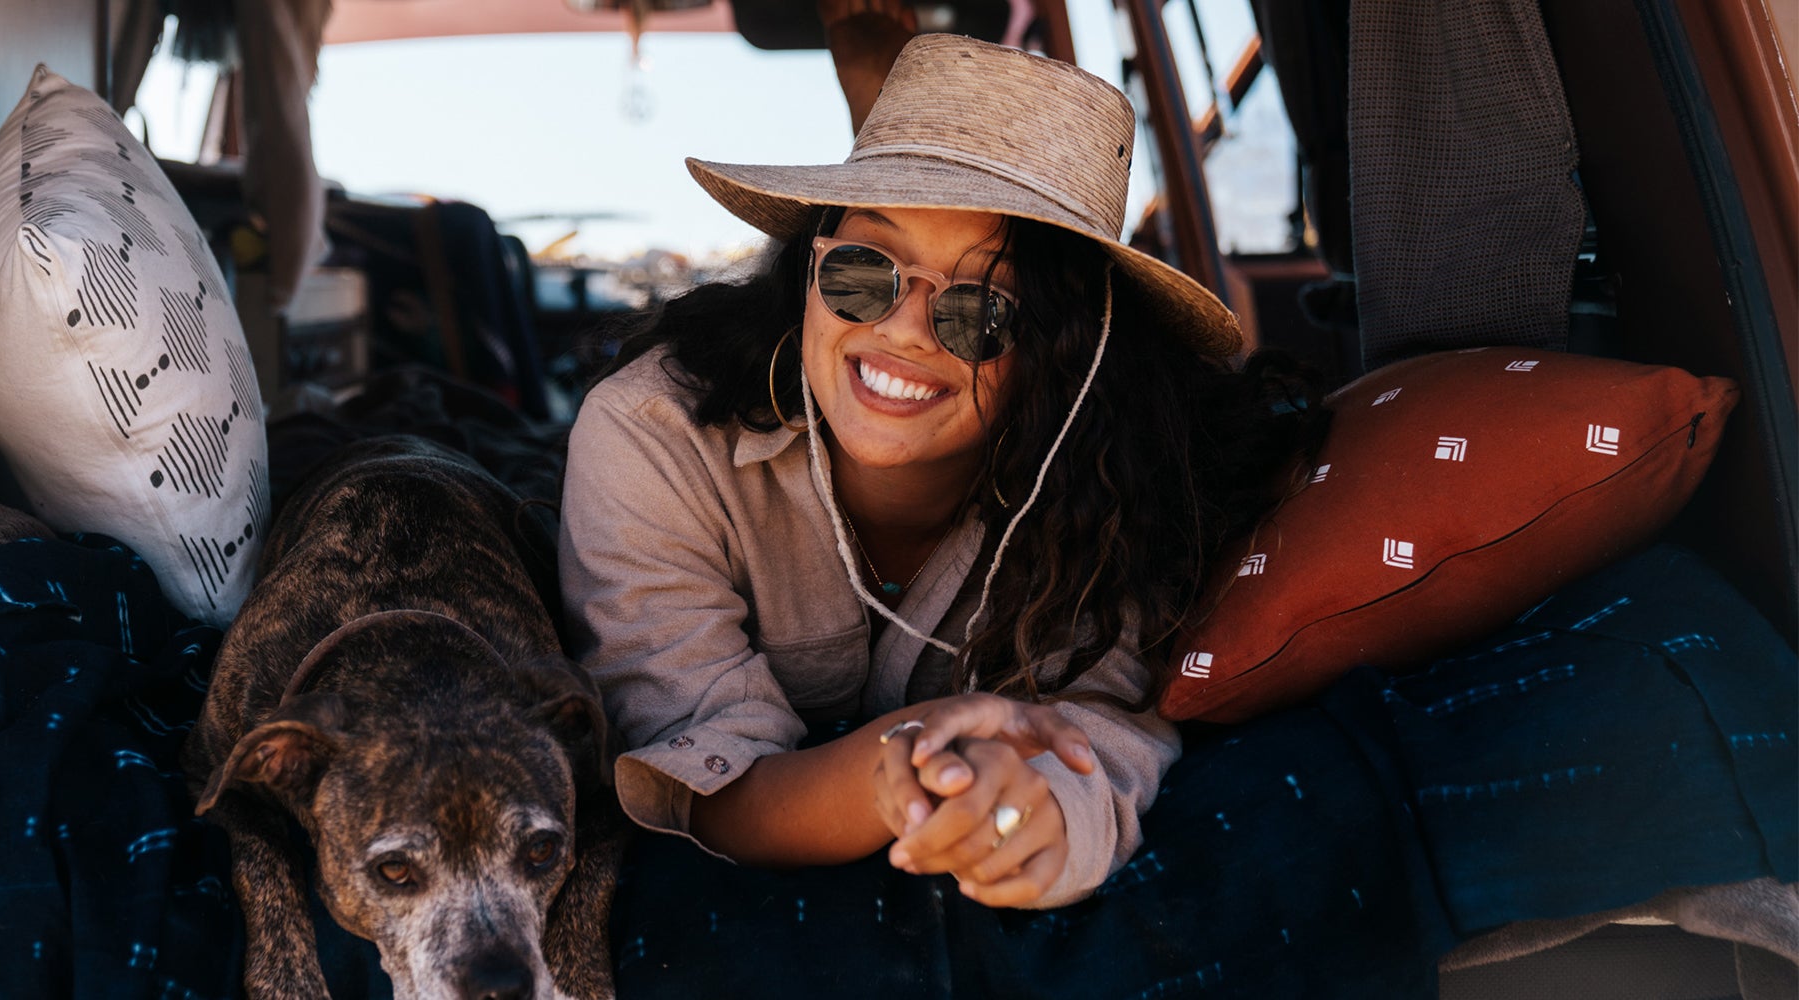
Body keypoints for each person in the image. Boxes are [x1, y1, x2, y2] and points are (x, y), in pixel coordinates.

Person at [557, 34, 1316, 910]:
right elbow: (701, 770)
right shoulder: (652, 435)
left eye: (979, 308)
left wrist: (1029, 813)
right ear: (808, 271)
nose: (907, 331)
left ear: (1062, 360)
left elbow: (1096, 733)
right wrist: (910, 762)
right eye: (861, 272)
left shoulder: (1117, 496)